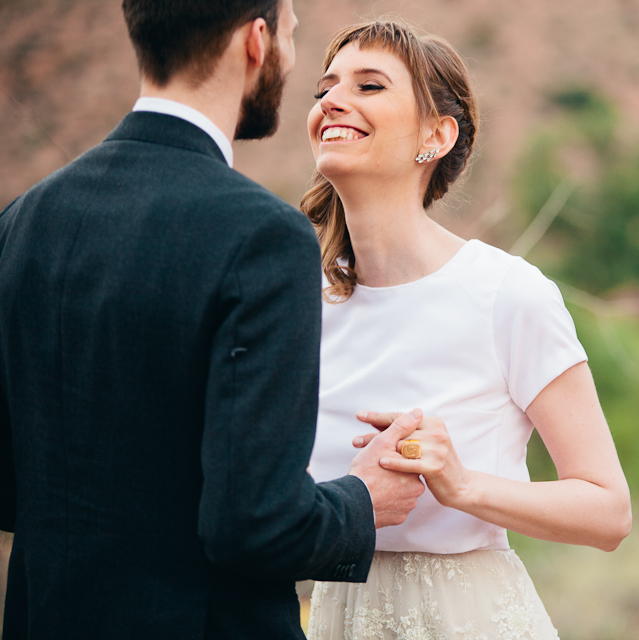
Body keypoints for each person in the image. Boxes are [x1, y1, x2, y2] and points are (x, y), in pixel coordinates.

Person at [0, 2, 426, 638]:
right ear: (256, 42)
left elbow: (12, 489)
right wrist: (362, 501)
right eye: (289, 34)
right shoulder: (262, 237)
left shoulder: (23, 220)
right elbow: (255, 526)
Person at [301, 21, 633, 639]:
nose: (332, 102)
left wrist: (463, 485)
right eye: (325, 90)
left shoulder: (507, 294)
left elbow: (608, 511)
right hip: (337, 619)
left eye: (369, 85)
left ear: (436, 135)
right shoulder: (296, 305)